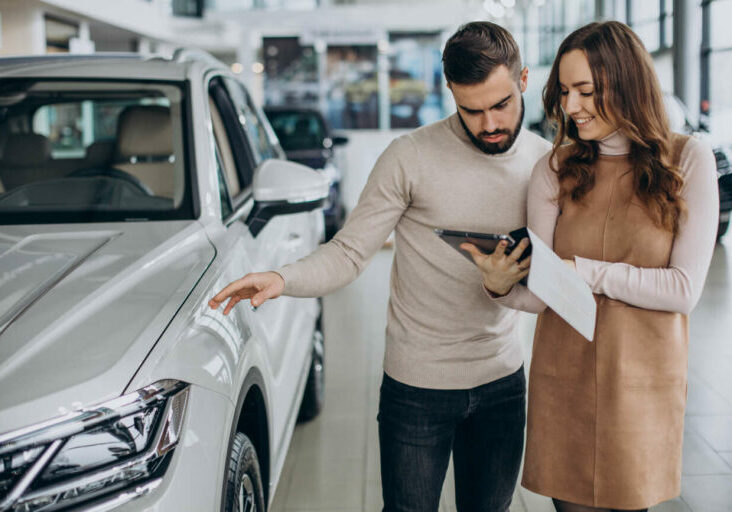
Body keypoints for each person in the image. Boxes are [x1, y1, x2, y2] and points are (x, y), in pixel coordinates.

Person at [209, 21, 550, 512]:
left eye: (501, 105)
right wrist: (284, 278)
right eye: (471, 110)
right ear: (450, 92)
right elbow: (349, 252)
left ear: (523, 82)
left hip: (502, 381)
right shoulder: (409, 157)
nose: (489, 123)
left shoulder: (545, 163)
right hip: (418, 387)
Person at [461, 21, 718, 512]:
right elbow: (541, 293)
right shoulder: (554, 169)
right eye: (564, 92)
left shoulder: (687, 160)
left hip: (640, 383)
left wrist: (585, 271)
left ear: (627, 83)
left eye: (586, 91)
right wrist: (499, 289)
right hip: (567, 378)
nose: (571, 107)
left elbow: (683, 290)